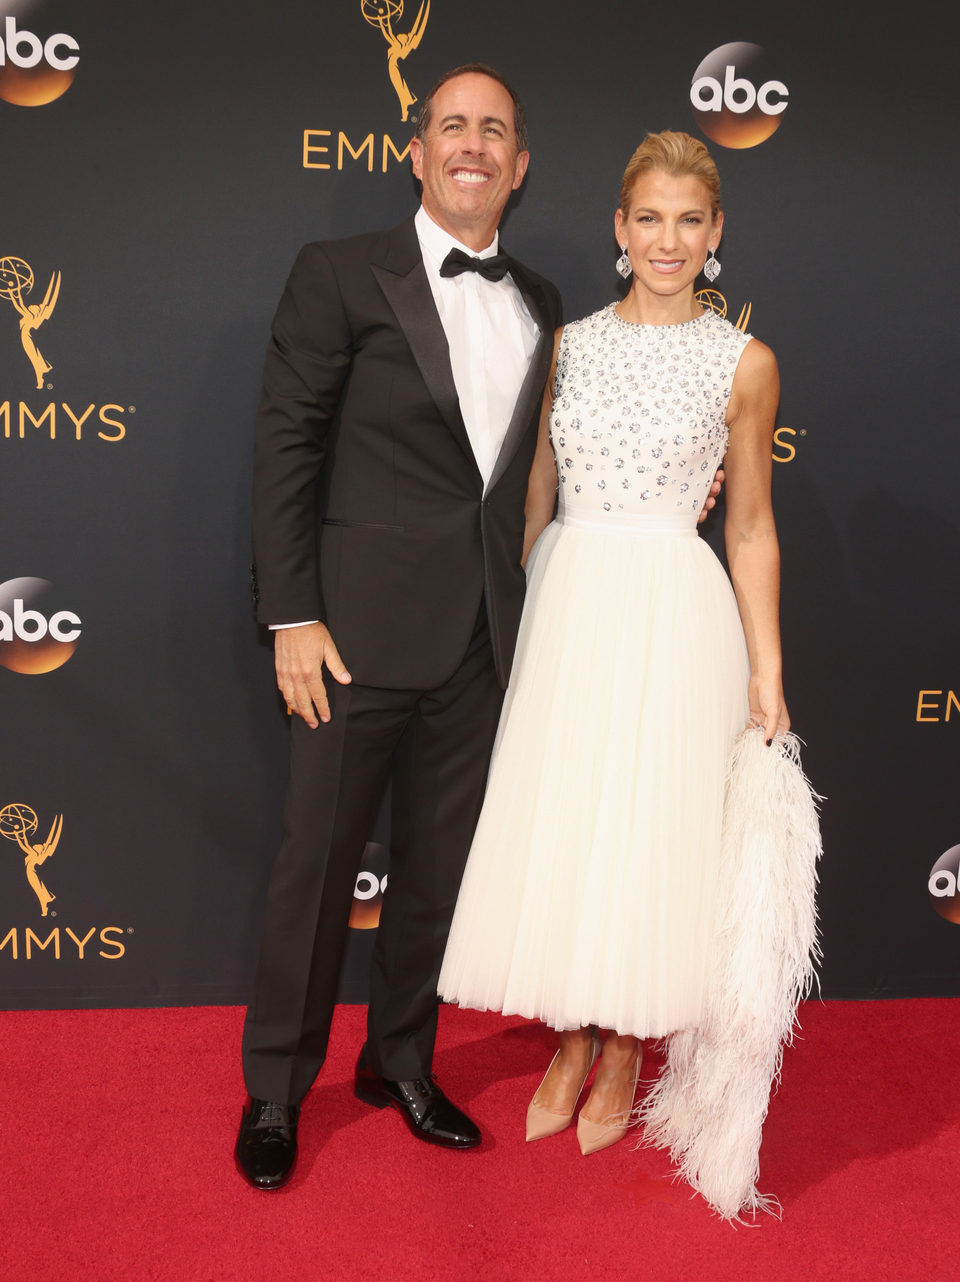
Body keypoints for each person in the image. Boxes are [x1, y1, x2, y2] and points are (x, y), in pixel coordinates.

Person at [439, 131, 790, 1197]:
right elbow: (538, 484)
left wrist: (768, 670)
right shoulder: (572, 343)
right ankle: (576, 1030)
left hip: (676, 609)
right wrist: (516, 608)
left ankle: (629, 1039)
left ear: (716, 233)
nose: (668, 240)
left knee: (649, 827)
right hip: (569, 596)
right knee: (574, 817)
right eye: (649, 218)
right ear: (619, 228)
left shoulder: (745, 360)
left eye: (690, 221)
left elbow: (753, 529)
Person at [235, 64, 563, 1192]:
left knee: (436, 877)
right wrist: (292, 612)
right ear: (415, 153)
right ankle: (277, 1087)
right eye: (451, 127)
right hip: (350, 640)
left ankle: (401, 1061)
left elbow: (537, 476)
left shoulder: (545, 303)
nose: (472, 145)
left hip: (481, 641)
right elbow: (285, 446)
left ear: (519, 168)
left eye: (496, 132)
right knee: (316, 869)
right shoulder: (337, 276)